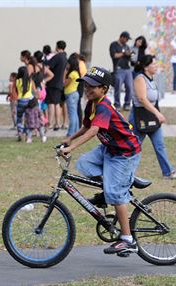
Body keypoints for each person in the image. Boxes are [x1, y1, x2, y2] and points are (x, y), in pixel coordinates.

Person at [61, 66, 141, 256]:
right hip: (109, 148)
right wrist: (70, 138)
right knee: (83, 164)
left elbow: (93, 131)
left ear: (104, 89)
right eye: (86, 86)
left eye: (93, 87)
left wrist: (71, 147)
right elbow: (86, 126)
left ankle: (128, 240)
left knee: (115, 192)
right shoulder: (91, 103)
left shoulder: (104, 105)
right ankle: (112, 190)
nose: (87, 90)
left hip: (124, 153)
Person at [129, 55, 176, 180]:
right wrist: (157, 113)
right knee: (134, 146)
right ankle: (127, 174)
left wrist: (156, 113)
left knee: (160, 145)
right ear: (146, 67)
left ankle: (168, 172)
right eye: (154, 64)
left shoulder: (151, 78)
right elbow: (142, 99)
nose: (156, 66)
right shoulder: (140, 79)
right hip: (140, 117)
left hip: (151, 117)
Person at [44, 40, 67, 131]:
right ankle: (58, 123)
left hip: (53, 83)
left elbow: (47, 67)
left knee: (51, 104)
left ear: (57, 47)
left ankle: (50, 123)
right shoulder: (65, 57)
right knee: (57, 104)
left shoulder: (57, 57)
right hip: (60, 83)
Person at [110, 31, 134, 110]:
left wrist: (130, 54)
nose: (127, 41)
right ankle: (117, 104)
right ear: (122, 37)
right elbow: (114, 55)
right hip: (119, 69)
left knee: (129, 87)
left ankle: (127, 104)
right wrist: (123, 54)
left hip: (127, 69)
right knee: (118, 87)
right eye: (126, 39)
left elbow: (129, 58)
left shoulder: (126, 46)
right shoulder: (114, 45)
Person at [15, 66, 36, 141]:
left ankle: (20, 132)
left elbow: (17, 91)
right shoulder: (30, 80)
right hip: (29, 101)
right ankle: (27, 134)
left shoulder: (17, 81)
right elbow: (33, 90)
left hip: (21, 100)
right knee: (27, 119)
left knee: (19, 118)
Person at [63, 54, 80, 137]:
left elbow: (64, 84)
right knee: (75, 113)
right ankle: (76, 130)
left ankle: (71, 132)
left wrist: (64, 73)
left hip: (70, 94)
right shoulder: (76, 73)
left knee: (72, 114)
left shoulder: (71, 74)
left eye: (68, 64)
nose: (67, 65)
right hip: (75, 93)